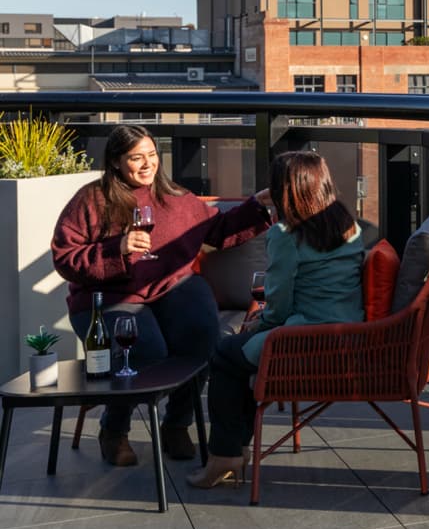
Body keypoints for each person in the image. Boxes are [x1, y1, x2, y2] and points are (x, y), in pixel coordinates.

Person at [52, 124, 273, 467]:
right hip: (109, 297)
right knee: (145, 349)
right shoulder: (91, 200)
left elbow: (218, 230)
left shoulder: (178, 199)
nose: (147, 165)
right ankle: (114, 430)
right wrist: (116, 249)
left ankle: (176, 424)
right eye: (136, 158)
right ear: (115, 162)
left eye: (152, 155)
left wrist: (257, 206)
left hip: (171, 288)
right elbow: (65, 257)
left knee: (204, 338)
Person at [188, 150, 365, 489]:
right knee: (237, 355)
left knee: (224, 355)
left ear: (283, 191)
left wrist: (261, 325)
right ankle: (233, 453)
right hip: (349, 334)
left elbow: (279, 302)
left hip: (303, 341)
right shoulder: (347, 224)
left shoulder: (286, 235)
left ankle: (226, 457)